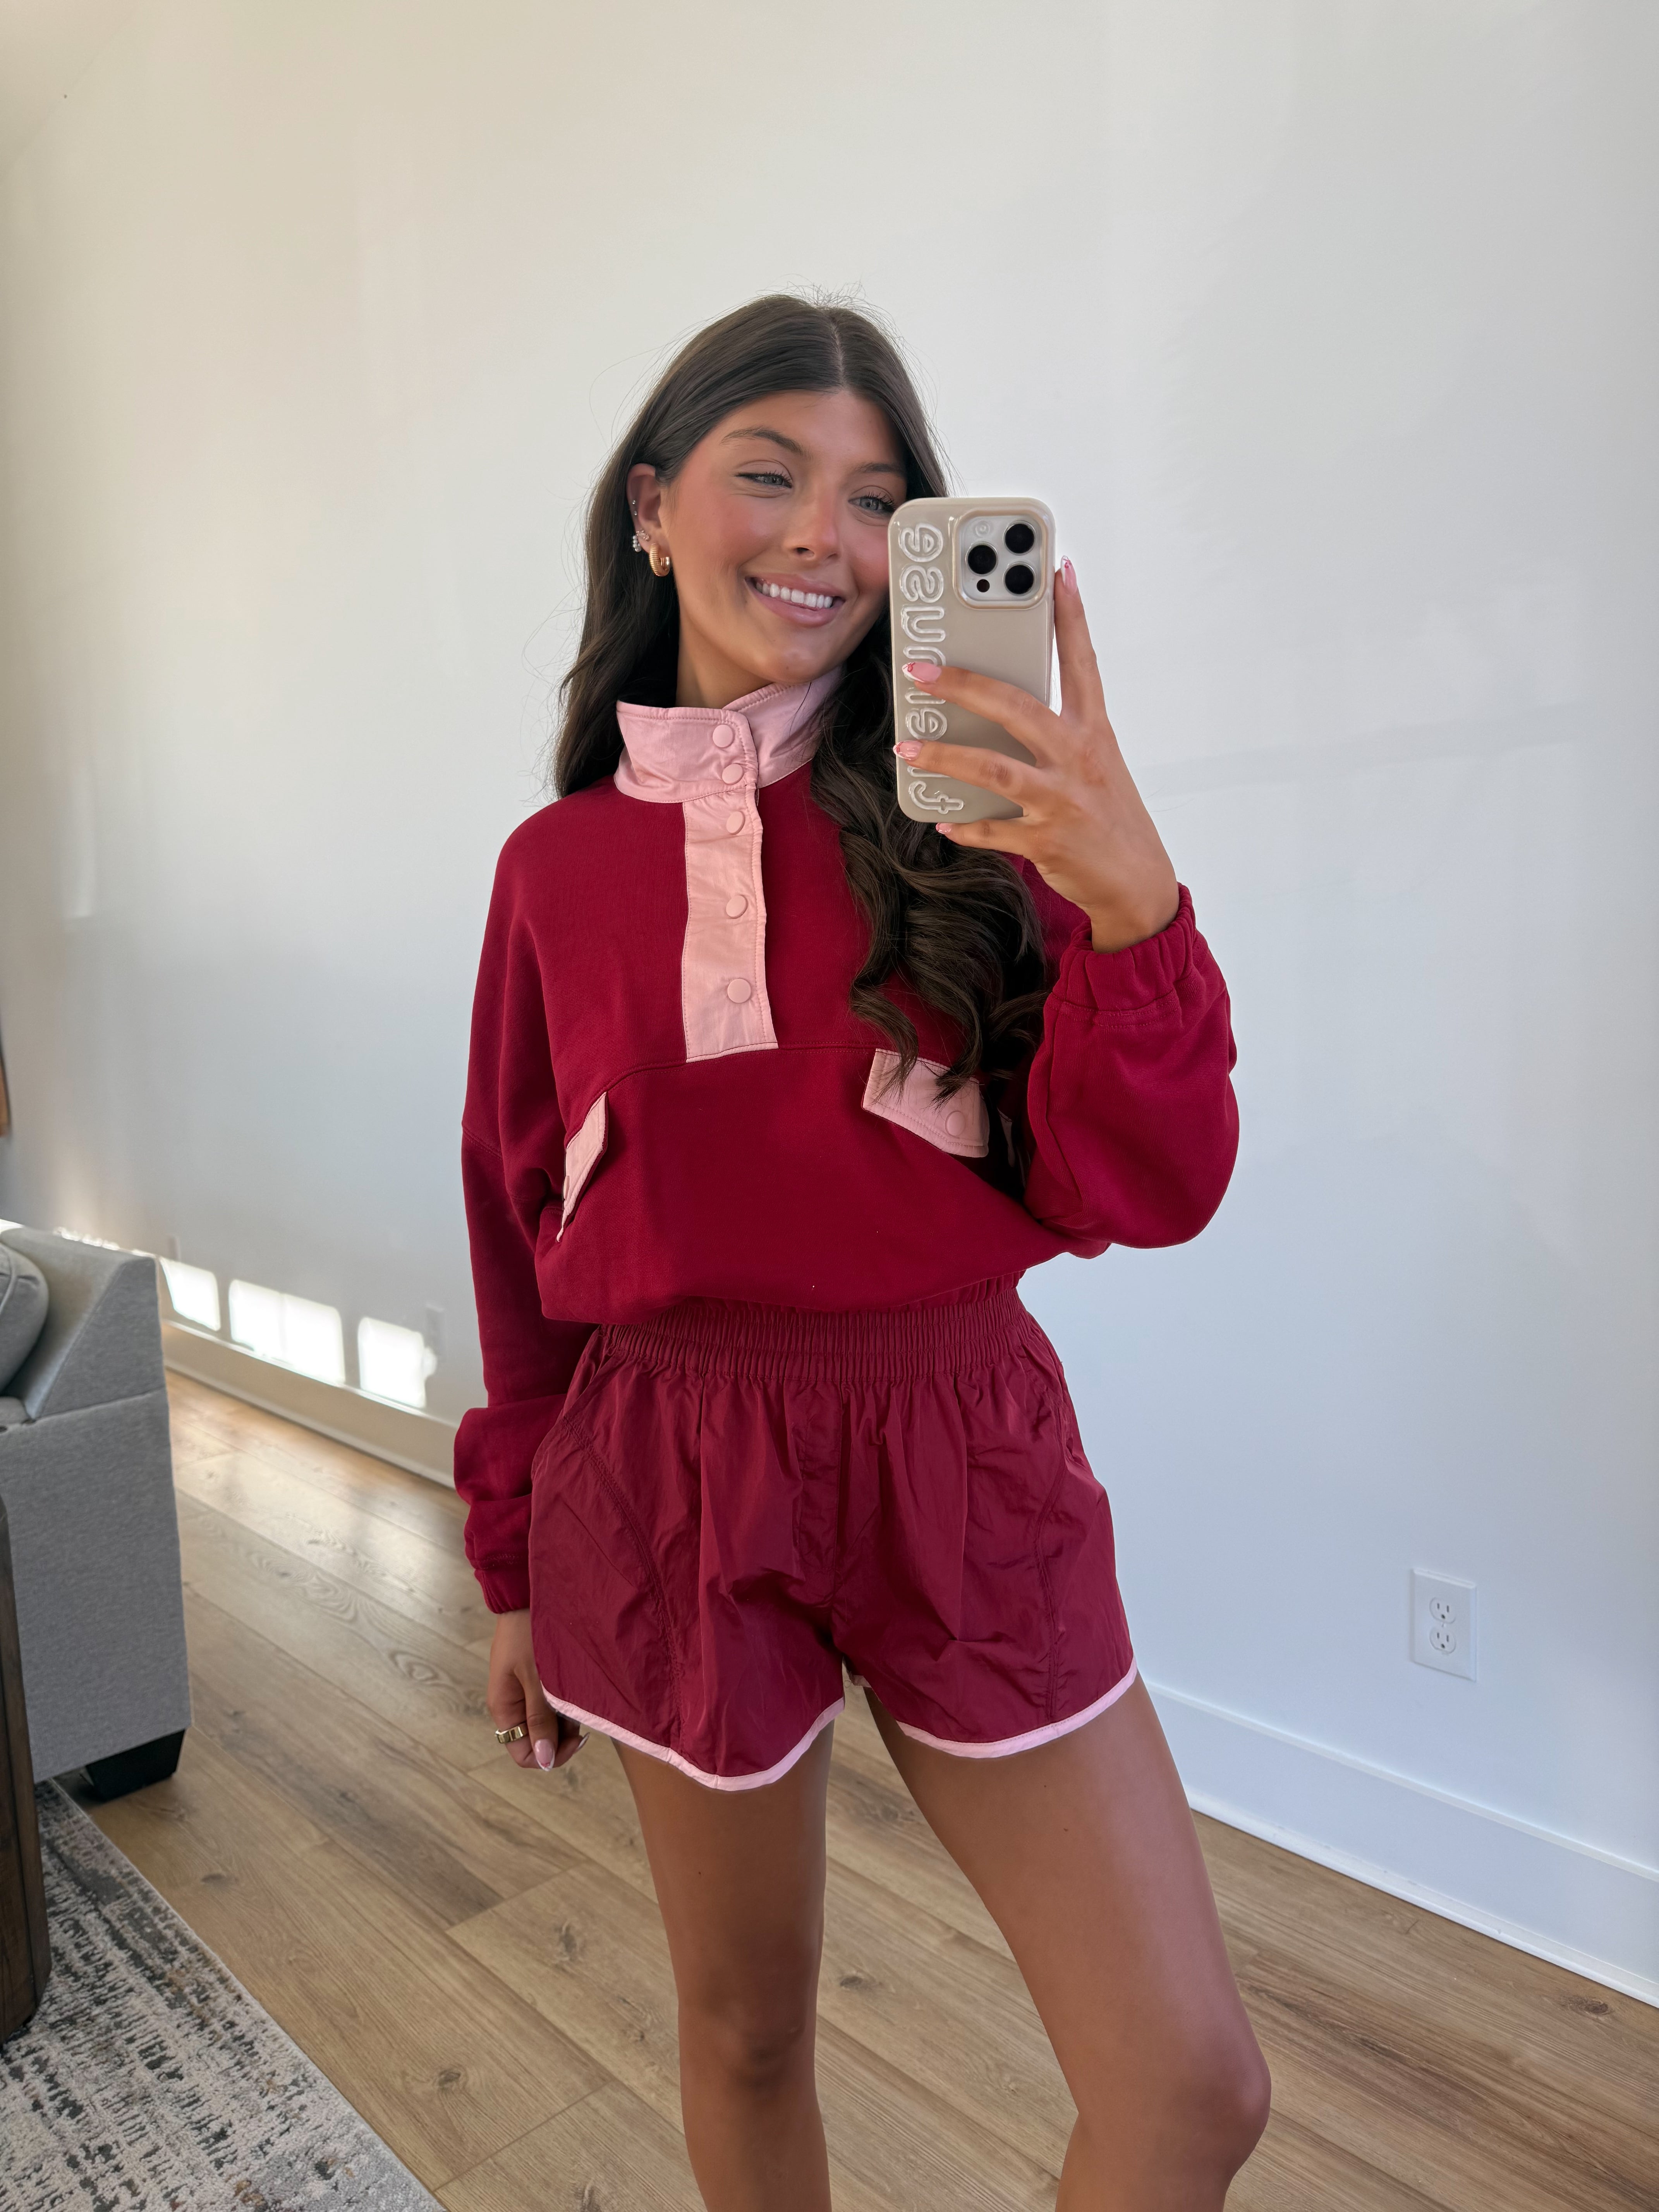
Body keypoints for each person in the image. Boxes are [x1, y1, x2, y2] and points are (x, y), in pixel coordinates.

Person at [455, 293, 1269, 2210]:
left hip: (959, 1444)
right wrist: (512, 1565)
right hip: (668, 1467)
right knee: (746, 2033)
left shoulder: (991, 826)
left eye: (881, 497)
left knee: (1192, 2087)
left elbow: (1154, 1188)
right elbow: (514, 1220)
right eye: (770, 474)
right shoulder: (552, 871)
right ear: (653, 507)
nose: (825, 534)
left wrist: (1130, 900)